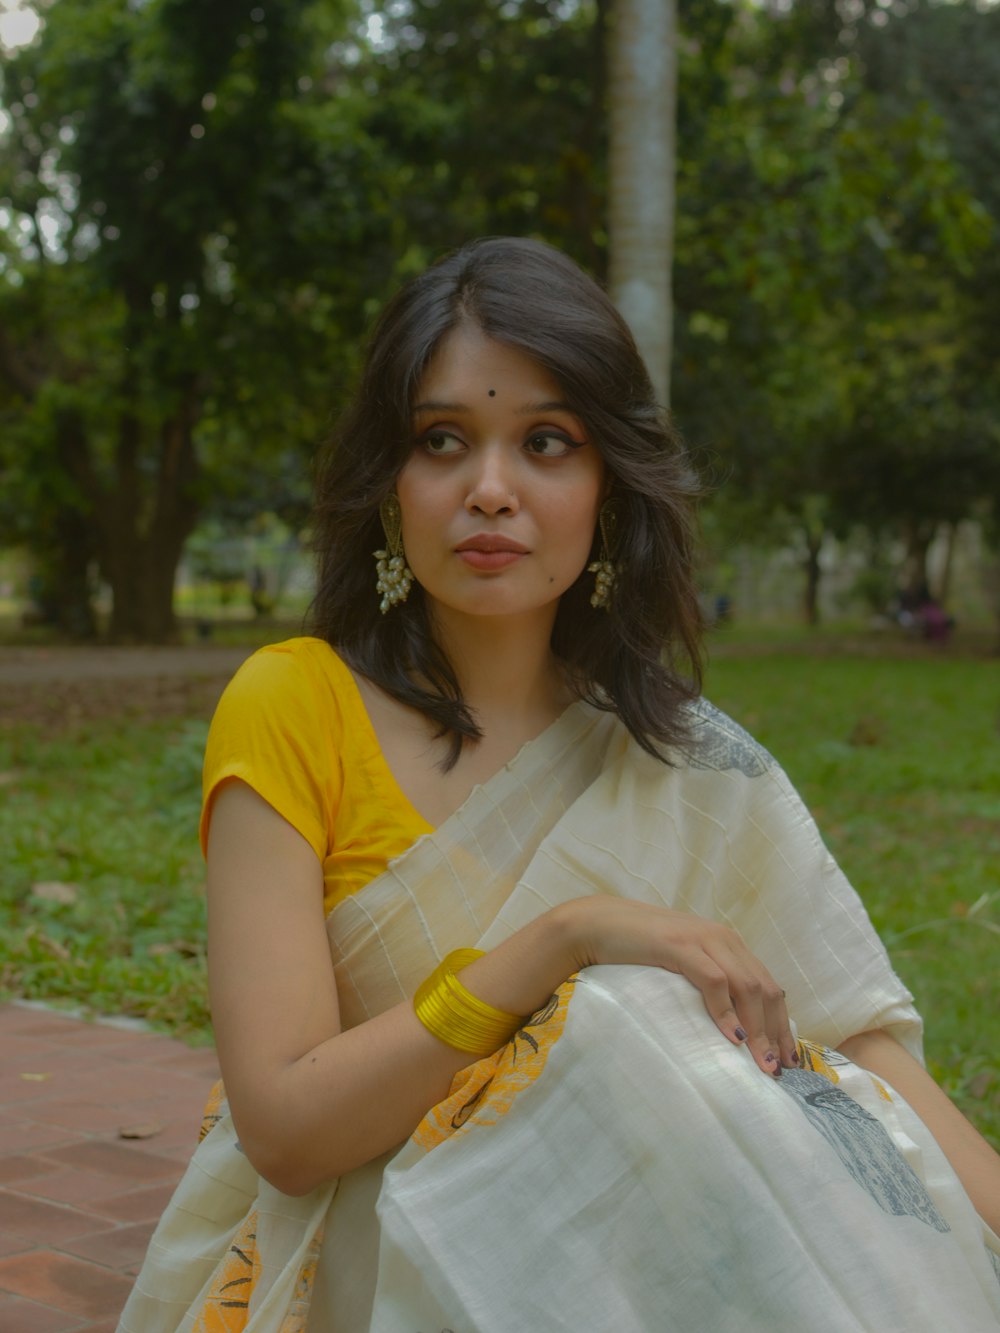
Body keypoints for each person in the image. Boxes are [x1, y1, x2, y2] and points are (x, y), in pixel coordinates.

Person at [117, 238, 1000, 1332]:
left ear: (607, 487)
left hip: (644, 1254)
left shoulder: (674, 751)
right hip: (386, 1238)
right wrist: (560, 940)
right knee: (619, 1015)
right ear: (389, 485)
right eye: (443, 441)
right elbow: (289, 1131)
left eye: (545, 442)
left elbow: (854, 1047)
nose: (490, 490)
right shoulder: (294, 704)